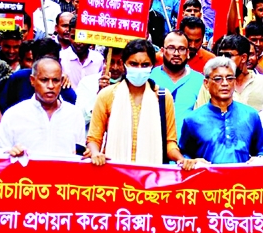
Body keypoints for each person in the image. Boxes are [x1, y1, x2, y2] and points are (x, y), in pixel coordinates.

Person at [86, 39, 191, 167]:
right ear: (124, 64)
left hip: (150, 178)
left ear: (152, 66)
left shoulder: (162, 97)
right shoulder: (107, 95)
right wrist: (95, 153)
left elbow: (170, 143)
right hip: (114, 174)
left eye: (145, 65)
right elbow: (94, 139)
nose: (139, 69)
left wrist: (181, 159)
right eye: (134, 64)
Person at [179, 57, 263, 163]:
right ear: (206, 83)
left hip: (242, 179)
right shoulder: (192, 120)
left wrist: (260, 159)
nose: (225, 83)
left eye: (230, 78)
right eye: (218, 79)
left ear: (234, 82)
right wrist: (192, 161)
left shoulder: (250, 115)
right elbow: (185, 154)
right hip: (207, 179)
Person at [0, 57, 86, 157]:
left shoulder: (74, 115)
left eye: (55, 80)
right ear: (32, 80)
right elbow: (1, 157)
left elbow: (79, 156)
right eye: (44, 80)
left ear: (61, 81)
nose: (50, 86)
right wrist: (11, 153)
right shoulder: (13, 115)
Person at [196, 35, 263, 112]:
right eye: (220, 55)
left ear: (243, 58)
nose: (223, 59)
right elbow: (199, 116)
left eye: (228, 55)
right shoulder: (212, 83)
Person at [0, 38, 77, 113]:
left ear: (58, 61)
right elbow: (2, 108)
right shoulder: (18, 78)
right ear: (34, 60)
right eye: (41, 60)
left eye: (50, 61)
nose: (46, 65)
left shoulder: (64, 87)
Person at [150, 31, 205, 134]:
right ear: (162, 51)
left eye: (181, 49)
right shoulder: (150, 77)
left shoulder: (200, 81)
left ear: (188, 53)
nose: (176, 53)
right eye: (171, 48)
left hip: (187, 148)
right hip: (153, 144)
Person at [76, 47, 124, 125]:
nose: (115, 67)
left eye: (119, 63)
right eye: (111, 62)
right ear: (105, 62)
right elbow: (79, 120)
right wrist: (99, 95)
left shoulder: (130, 85)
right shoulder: (87, 83)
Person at [60, 18, 104, 90]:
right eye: (73, 37)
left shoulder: (99, 60)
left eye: (81, 37)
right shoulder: (61, 58)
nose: (77, 42)